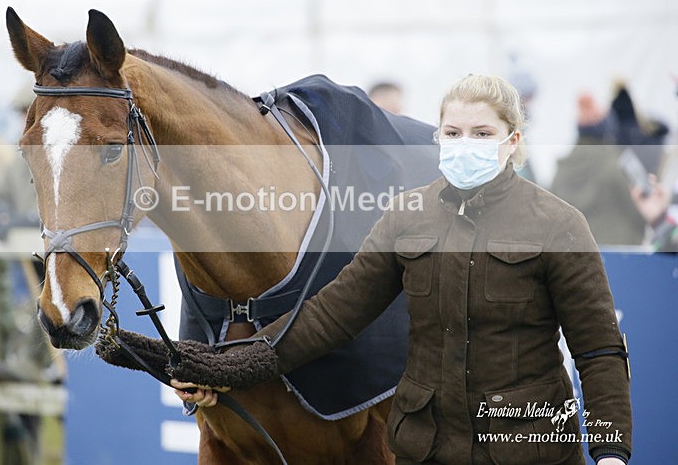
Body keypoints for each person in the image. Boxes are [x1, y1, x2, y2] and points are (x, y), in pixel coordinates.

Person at [169, 74, 632, 464]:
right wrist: (221, 365)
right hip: (426, 450)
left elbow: (598, 350)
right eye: (453, 134)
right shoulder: (407, 216)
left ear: (512, 142)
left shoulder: (559, 225)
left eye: (482, 134)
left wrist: (611, 452)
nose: (464, 146)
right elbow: (331, 316)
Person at [549, 93, 646, 246]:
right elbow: (642, 210)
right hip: (620, 256)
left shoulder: (562, 171)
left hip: (575, 258)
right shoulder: (616, 164)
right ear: (606, 128)